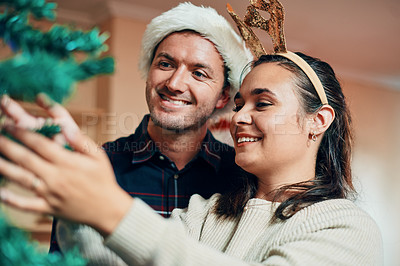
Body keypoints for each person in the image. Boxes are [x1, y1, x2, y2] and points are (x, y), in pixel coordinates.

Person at [0, 50, 383, 264]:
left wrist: (112, 209)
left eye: (262, 103)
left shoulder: (347, 227)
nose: (238, 117)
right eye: (239, 103)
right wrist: (73, 189)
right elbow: (120, 258)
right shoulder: (209, 211)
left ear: (318, 121)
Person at [1, 2, 254, 253]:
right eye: (165, 64)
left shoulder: (244, 175)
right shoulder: (94, 166)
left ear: (223, 96)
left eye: (199, 73)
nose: (175, 83)